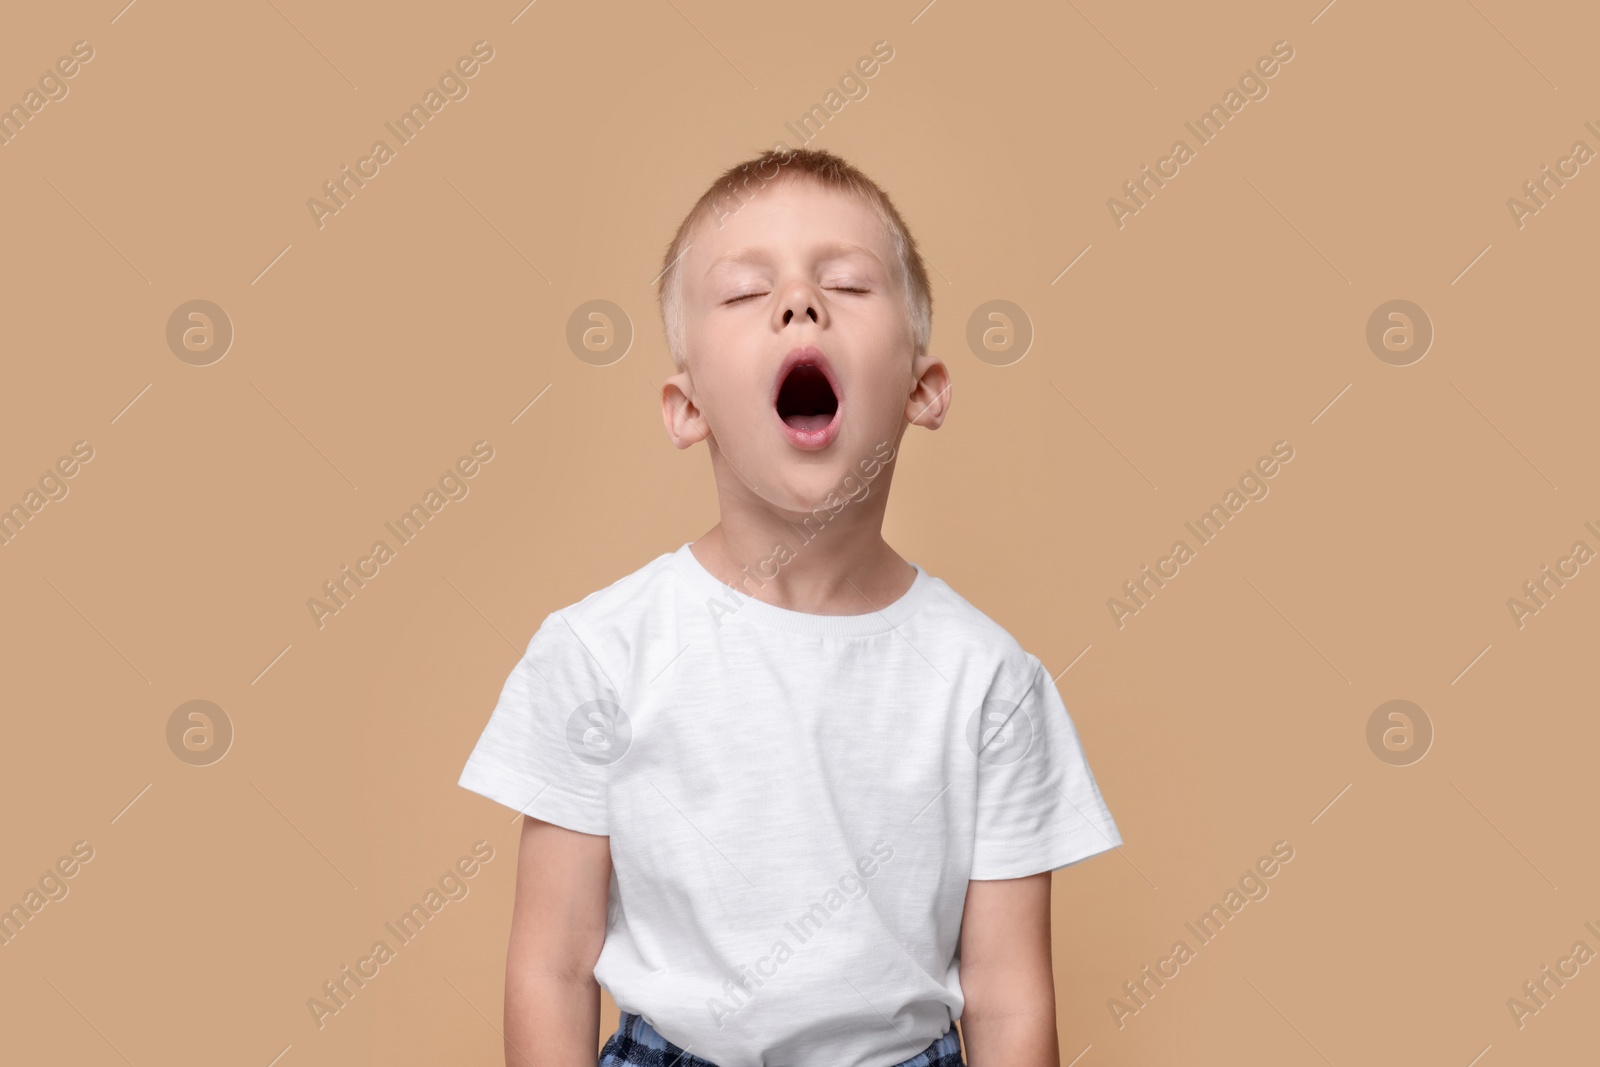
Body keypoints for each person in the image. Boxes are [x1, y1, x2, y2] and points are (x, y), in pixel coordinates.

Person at [457, 146, 1122, 1067]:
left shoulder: (990, 682)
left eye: (848, 283)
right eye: (742, 294)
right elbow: (551, 969)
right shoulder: (600, 650)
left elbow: (1010, 1003)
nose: (800, 303)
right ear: (688, 409)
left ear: (922, 391)